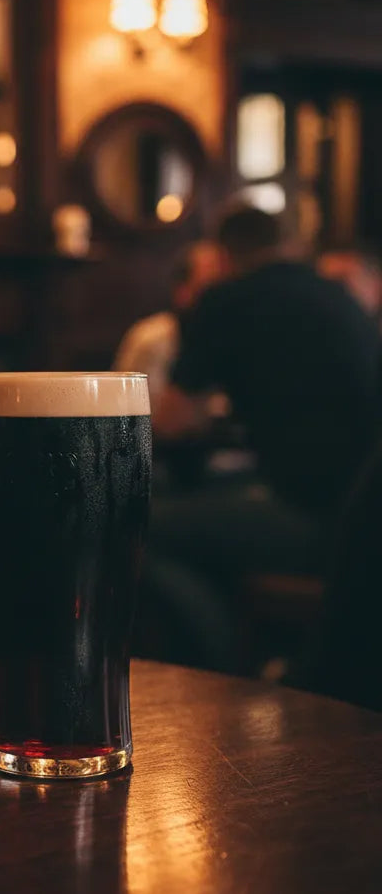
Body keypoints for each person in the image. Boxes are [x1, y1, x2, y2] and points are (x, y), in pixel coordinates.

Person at [144, 206, 381, 669]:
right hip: (361, 523)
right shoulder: (339, 298)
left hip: (310, 518)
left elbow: (172, 421)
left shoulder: (227, 299)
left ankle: (226, 670)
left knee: (134, 528)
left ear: (224, 254)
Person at [113, 241, 223, 409]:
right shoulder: (152, 337)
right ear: (182, 290)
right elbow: (124, 406)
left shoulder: (236, 335)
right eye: (210, 289)